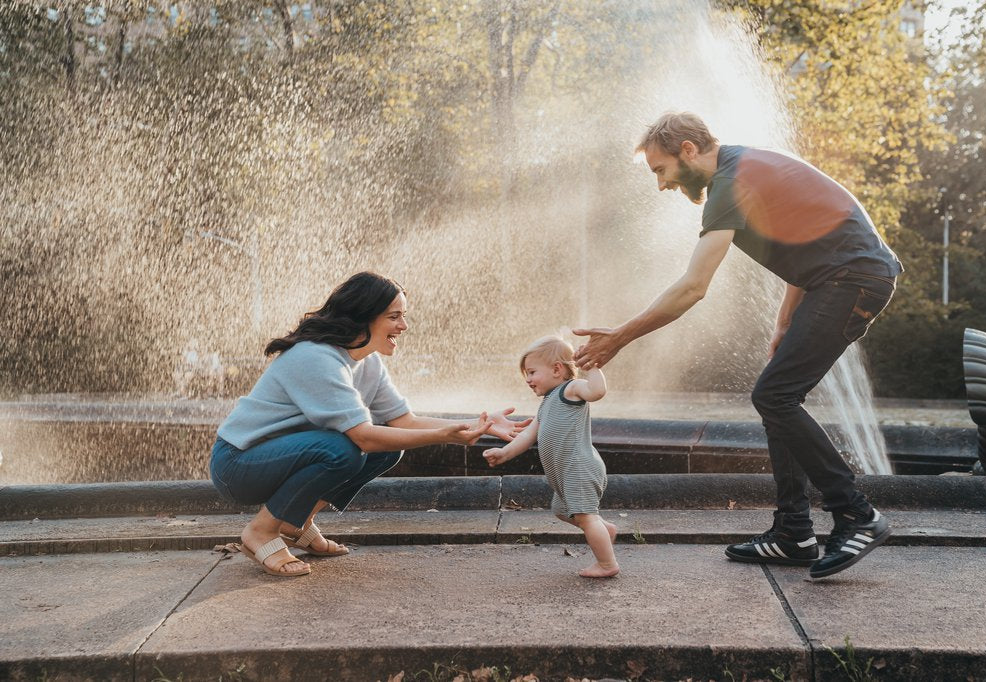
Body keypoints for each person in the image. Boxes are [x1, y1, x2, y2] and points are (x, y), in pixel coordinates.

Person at [573, 112, 902, 580]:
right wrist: (785, 321)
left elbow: (692, 288)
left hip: (853, 279)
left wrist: (619, 339)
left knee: (775, 396)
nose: (662, 185)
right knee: (777, 397)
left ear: (688, 150)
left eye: (661, 170)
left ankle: (857, 515)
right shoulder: (743, 168)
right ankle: (793, 533)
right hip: (841, 277)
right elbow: (809, 242)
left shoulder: (729, 183)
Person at [210, 271, 529, 577]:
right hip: (238, 465)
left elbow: (405, 421)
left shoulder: (368, 361)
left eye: (403, 316)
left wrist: (478, 423)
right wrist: (443, 435)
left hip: (274, 460)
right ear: (363, 316)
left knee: (388, 449)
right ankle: (262, 531)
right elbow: (363, 437)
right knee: (341, 449)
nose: (403, 325)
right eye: (394, 316)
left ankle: (296, 522)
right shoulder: (315, 357)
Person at [483, 336, 619, 578]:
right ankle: (603, 530)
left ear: (557, 369)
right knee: (561, 509)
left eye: (532, 372)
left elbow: (597, 391)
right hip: (564, 473)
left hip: (579, 467)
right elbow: (527, 436)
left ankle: (607, 564)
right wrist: (505, 453)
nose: (528, 379)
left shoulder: (571, 389)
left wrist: (591, 368)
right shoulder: (547, 404)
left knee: (586, 517)